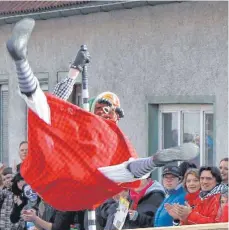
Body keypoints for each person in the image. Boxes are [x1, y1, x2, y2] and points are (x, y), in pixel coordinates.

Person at [6, 19, 198, 213]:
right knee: (123, 170)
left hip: (63, 172)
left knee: (41, 107)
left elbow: (55, 106)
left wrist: (74, 71)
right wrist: (75, 70)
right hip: (75, 173)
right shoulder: (98, 130)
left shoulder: (104, 133)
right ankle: (153, 161)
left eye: (107, 109)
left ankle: (22, 63)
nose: (103, 112)